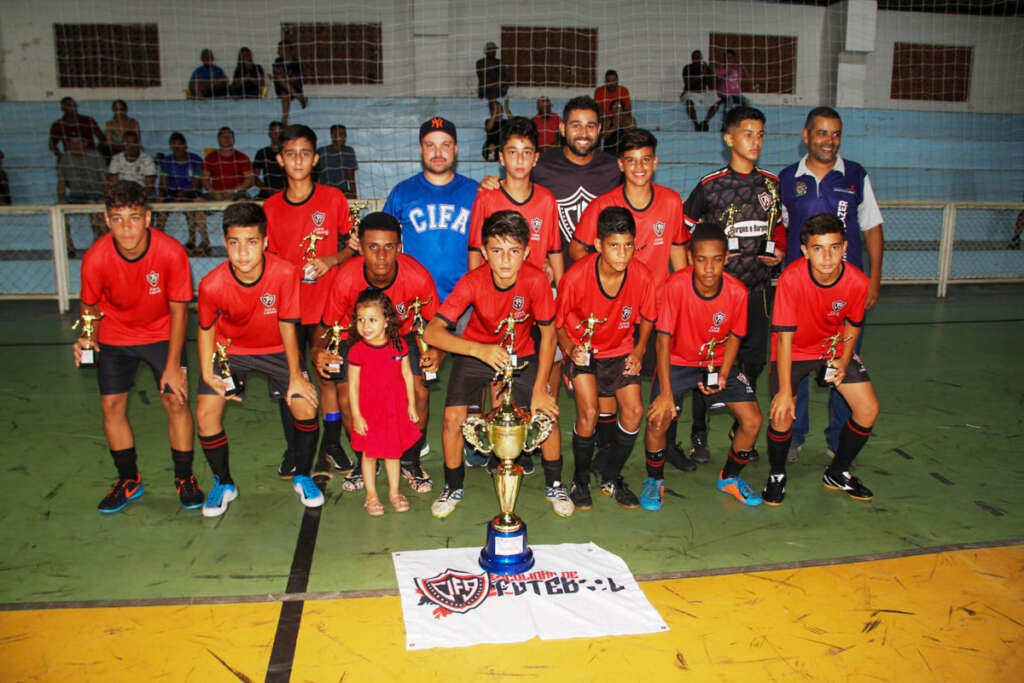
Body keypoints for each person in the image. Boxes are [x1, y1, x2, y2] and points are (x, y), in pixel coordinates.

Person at [423, 210, 568, 519]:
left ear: (527, 252)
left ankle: (555, 484)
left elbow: (549, 336)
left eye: (514, 251)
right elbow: (432, 331)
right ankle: (453, 486)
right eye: (497, 250)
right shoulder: (472, 281)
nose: (505, 260)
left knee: (546, 412)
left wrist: (542, 388)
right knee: (452, 419)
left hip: (521, 354)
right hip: (478, 353)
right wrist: (479, 350)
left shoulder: (536, 280)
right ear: (485, 252)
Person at [74, 180, 200, 513]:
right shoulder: (95, 257)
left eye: (133, 217)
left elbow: (179, 312)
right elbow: (90, 305)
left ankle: (184, 477)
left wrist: (174, 365)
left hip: (161, 333)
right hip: (115, 336)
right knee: (111, 407)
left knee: (176, 401)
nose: (126, 227)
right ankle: (128, 479)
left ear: (147, 218)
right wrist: (88, 336)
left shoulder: (171, 252)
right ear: (106, 220)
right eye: (117, 219)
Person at [196, 201, 322, 516]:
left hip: (277, 348)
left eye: (251, 242)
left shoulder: (284, 273)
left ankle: (303, 475)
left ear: (265, 242)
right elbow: (206, 329)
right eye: (234, 243)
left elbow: (288, 324)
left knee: (305, 404)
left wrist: (295, 375)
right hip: (231, 351)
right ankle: (223, 483)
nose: (242, 253)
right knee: (205, 414)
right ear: (225, 243)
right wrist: (207, 373)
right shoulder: (211, 284)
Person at [681, 105, 786, 468]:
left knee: (753, 360)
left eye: (760, 134)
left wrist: (780, 251)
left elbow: (779, 228)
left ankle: (742, 423)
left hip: (756, 294)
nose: (755, 141)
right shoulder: (710, 187)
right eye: (747, 134)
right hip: (716, 298)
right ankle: (698, 431)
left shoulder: (771, 184)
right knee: (705, 363)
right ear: (729, 138)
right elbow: (684, 230)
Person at [778, 106, 884, 463]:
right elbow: (781, 228)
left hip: (846, 292)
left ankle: (839, 440)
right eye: (822, 133)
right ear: (806, 136)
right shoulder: (787, 178)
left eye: (836, 133)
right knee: (797, 364)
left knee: (844, 360)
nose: (829, 140)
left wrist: (873, 279)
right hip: (800, 294)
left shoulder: (855, 175)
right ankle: (793, 435)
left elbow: (872, 227)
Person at [313, 212, 441, 494]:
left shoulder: (417, 276)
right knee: (347, 397)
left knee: (419, 391)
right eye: (372, 247)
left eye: (388, 247)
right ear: (360, 247)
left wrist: (435, 353)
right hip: (356, 338)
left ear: (399, 248)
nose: (381, 256)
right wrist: (317, 352)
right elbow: (325, 328)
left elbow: (436, 325)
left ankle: (410, 459)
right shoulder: (346, 277)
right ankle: (364, 458)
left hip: (402, 336)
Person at [761, 213, 880, 506]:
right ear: (804, 251)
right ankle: (777, 475)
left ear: (845, 247)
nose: (827, 256)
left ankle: (837, 472)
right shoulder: (791, 278)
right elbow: (784, 338)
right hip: (794, 350)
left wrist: (842, 360)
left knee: (868, 409)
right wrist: (786, 392)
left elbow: (852, 325)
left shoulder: (857, 281)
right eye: (818, 248)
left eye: (834, 247)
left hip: (832, 348)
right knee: (781, 413)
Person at [644, 224, 763, 510]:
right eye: (701, 259)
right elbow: (663, 339)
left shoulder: (737, 292)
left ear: (727, 258)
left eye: (717, 259)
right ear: (690, 256)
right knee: (658, 418)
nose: (709, 268)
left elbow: (735, 334)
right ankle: (654, 480)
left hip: (718, 361)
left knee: (752, 420)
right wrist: (665, 392)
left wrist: (723, 372)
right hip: (678, 362)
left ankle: (730, 477)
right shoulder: (676, 286)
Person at [263, 124, 354, 484]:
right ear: (279, 159)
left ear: (315, 159)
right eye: (290, 154)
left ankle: (331, 442)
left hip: (325, 306)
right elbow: (265, 260)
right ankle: (294, 448)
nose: (297, 160)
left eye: (304, 153)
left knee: (326, 375)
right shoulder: (270, 207)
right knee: (291, 378)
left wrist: (331, 260)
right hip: (286, 311)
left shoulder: (333, 199)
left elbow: (352, 246)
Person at [557, 206, 655, 510]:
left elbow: (648, 317)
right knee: (589, 413)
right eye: (614, 245)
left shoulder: (642, 276)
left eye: (628, 245)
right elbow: (558, 324)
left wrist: (638, 351)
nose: (623, 254)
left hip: (621, 349)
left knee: (635, 411)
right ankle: (580, 479)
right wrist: (571, 349)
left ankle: (612, 477)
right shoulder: (575, 278)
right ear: (598, 245)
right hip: (583, 350)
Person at [382, 117, 478, 302]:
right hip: (416, 299)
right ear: (421, 149)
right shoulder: (402, 192)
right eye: (430, 145)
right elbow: (381, 236)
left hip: (465, 301)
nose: (438, 153)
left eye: (445, 145)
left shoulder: (475, 191)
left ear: (455, 149)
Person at [347, 289, 422, 515]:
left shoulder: (399, 346)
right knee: (369, 455)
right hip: (369, 411)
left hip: (393, 409)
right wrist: (356, 415)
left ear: (387, 320)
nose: (365, 326)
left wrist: (411, 404)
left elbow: (408, 375)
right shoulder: (357, 351)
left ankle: (394, 492)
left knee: (392, 453)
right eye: (361, 320)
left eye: (372, 320)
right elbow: (353, 385)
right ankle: (371, 495)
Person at [469, 116, 564, 283]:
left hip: (532, 295)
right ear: (501, 157)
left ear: (535, 158)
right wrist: (479, 293)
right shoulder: (486, 196)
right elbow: (475, 251)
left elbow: (555, 252)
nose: (520, 160)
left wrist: (561, 298)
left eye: (526, 152)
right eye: (512, 152)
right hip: (494, 295)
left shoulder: (546, 200)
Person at [153, 132, 209, 255]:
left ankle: (194, 240)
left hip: (190, 191)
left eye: (179, 145)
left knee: (191, 207)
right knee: (160, 207)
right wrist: (162, 195)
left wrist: (182, 195)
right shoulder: (166, 161)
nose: (177, 148)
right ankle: (157, 240)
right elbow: (163, 183)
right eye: (173, 145)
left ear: (186, 146)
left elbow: (196, 184)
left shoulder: (195, 160)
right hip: (172, 192)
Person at [57, 133, 108, 253]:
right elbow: (61, 181)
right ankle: (68, 245)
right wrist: (60, 198)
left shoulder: (95, 156)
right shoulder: (65, 158)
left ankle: (98, 243)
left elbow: (104, 180)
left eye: (79, 142)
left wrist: (106, 196)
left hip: (95, 194)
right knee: (58, 209)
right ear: (68, 145)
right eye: (72, 143)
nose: (76, 146)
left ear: (85, 143)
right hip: (76, 195)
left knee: (95, 207)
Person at [201, 127, 254, 201]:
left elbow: (250, 180)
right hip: (216, 194)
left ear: (234, 139)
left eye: (229, 136)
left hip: (238, 193)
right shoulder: (210, 158)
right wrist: (213, 192)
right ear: (218, 139)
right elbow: (204, 179)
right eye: (223, 136)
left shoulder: (242, 157)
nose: (227, 138)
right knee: (198, 201)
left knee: (242, 201)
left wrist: (234, 191)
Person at [106, 130, 156, 196]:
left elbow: (149, 187)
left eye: (134, 142)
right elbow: (112, 184)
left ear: (138, 143)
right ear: (123, 144)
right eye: (128, 143)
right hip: (121, 195)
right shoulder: (116, 159)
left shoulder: (147, 159)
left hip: (142, 195)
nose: (131, 146)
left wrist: (139, 198)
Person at [314, 124, 359, 198]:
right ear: (332, 135)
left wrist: (354, 196)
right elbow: (315, 176)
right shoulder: (321, 152)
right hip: (324, 191)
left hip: (342, 192)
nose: (342, 137)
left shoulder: (348, 151)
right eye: (340, 134)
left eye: (344, 134)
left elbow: (351, 176)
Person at [680, 50, 719, 132]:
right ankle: (696, 124)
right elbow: (688, 83)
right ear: (691, 58)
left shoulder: (704, 68)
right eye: (694, 57)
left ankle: (705, 122)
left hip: (703, 93)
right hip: (690, 92)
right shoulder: (687, 68)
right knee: (689, 103)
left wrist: (710, 72)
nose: (696, 59)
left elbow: (711, 85)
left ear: (701, 58)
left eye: (698, 57)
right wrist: (702, 74)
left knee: (718, 101)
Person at [272, 42, 307, 124]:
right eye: (279, 49)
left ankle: (284, 121)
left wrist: (284, 76)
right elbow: (277, 77)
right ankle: (299, 97)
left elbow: (294, 80)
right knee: (284, 92)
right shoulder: (278, 61)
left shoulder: (295, 63)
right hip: (283, 91)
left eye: (281, 49)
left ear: (288, 50)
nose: (279, 51)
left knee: (281, 80)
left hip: (295, 88)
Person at [254, 120, 286, 199]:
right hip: (267, 193)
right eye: (274, 132)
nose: (277, 135)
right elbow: (254, 177)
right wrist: (268, 190)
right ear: (269, 133)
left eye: (279, 132)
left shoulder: (290, 152)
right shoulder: (262, 153)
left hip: (289, 192)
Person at [715, 50, 749, 124]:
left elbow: (747, 76)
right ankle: (725, 123)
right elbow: (717, 83)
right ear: (724, 59)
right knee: (729, 100)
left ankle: (743, 122)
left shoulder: (737, 70)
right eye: (727, 58)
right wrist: (726, 74)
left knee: (746, 101)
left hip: (736, 94)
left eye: (731, 58)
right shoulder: (720, 70)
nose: (729, 60)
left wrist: (740, 64)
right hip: (723, 93)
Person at [475, 41, 508, 106]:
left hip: (497, 87)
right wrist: (492, 85)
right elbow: (481, 77)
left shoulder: (499, 62)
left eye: (494, 50)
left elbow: (504, 76)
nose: (494, 52)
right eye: (492, 50)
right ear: (486, 52)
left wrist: (499, 83)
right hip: (486, 87)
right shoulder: (480, 63)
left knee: (504, 86)